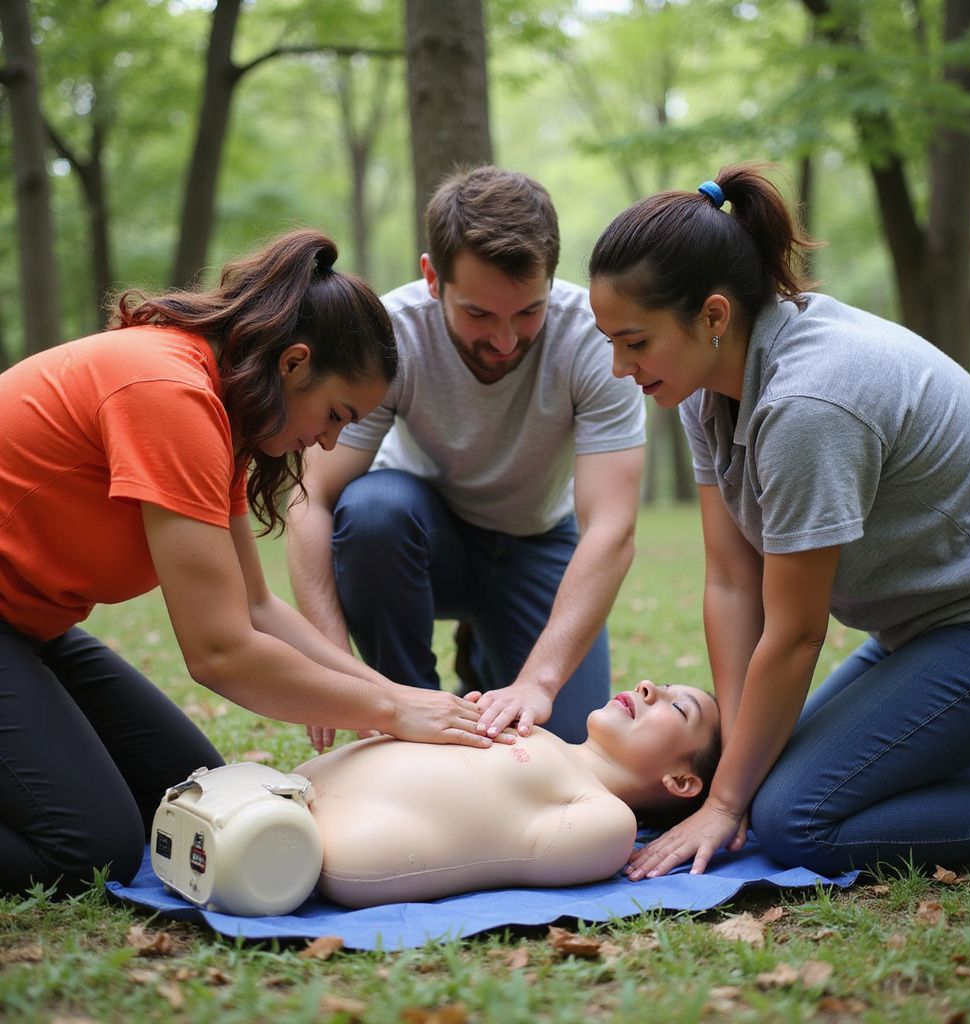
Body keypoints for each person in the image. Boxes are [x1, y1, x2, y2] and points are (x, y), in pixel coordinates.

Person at [0, 230, 508, 899]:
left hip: (32, 627)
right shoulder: (169, 393)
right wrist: (389, 709)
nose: (329, 440)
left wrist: (398, 698)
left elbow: (257, 608)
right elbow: (220, 651)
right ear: (295, 363)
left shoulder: (222, 411)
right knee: (90, 848)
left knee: (195, 794)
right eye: (335, 415)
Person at [587, 165, 970, 880]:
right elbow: (732, 582)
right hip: (926, 631)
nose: (617, 366)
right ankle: (963, 765)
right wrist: (732, 767)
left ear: (715, 316)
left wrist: (726, 802)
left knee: (795, 817)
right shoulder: (706, 392)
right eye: (610, 341)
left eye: (635, 342)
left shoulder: (808, 404)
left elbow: (794, 633)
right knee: (769, 774)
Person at [287, 166, 646, 749]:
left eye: (528, 312)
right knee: (373, 509)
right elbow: (312, 498)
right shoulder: (390, 336)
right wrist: (334, 670)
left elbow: (612, 526)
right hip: (426, 539)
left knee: (571, 746)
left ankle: (486, 660)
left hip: (538, 544)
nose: (505, 341)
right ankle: (407, 711)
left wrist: (538, 682)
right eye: (479, 314)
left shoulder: (594, 342)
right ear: (433, 278)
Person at [294, 680, 720, 907]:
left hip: (339, 843)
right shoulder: (535, 729)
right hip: (303, 784)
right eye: (663, 683)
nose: (648, 686)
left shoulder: (608, 819)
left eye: (679, 707)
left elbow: (503, 832)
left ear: (682, 781)